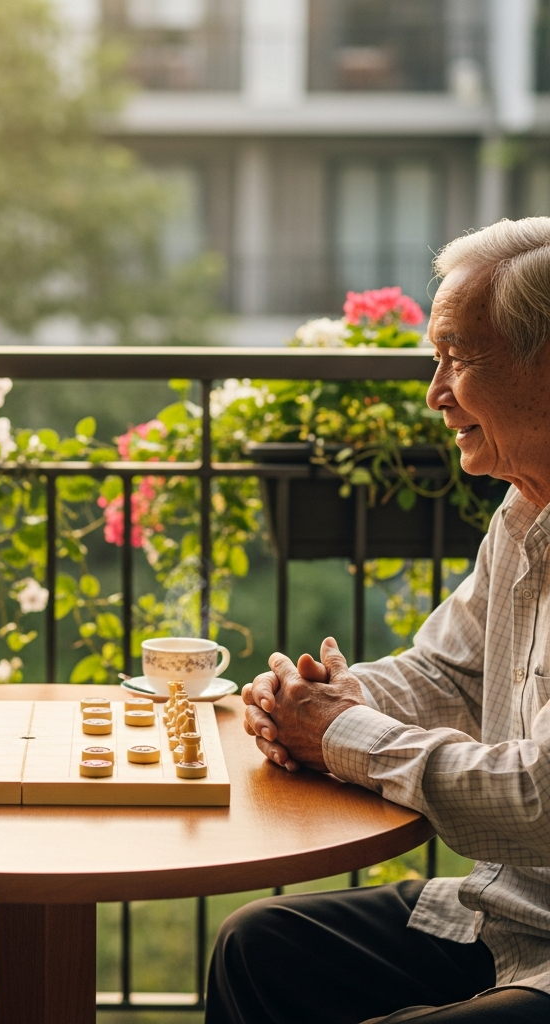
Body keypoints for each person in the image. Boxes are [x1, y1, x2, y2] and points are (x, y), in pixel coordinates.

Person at [213, 217, 550, 1022]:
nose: (435, 393)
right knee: (260, 943)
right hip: (512, 914)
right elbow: (448, 672)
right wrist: (321, 698)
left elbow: (541, 797)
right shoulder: (523, 511)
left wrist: (339, 734)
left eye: (459, 360)